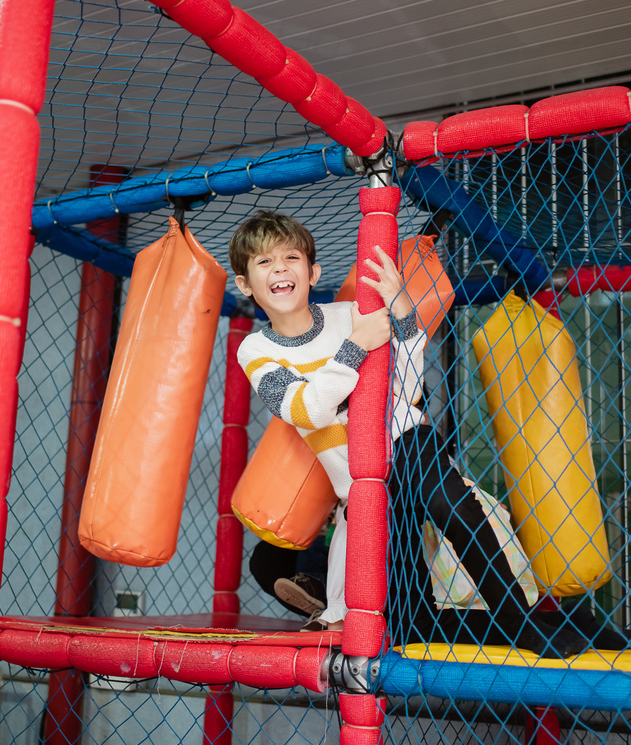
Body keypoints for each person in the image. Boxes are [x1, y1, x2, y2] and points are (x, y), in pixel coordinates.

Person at [230, 210, 599, 659]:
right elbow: (306, 409)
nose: (280, 269)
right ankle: (563, 625)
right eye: (264, 263)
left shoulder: (352, 314)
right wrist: (355, 349)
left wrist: (401, 310)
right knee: (408, 619)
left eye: (291, 258)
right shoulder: (257, 348)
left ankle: (519, 620)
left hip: (405, 440)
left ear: (313, 272)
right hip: (361, 483)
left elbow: (403, 388)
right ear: (246, 284)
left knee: (446, 498)